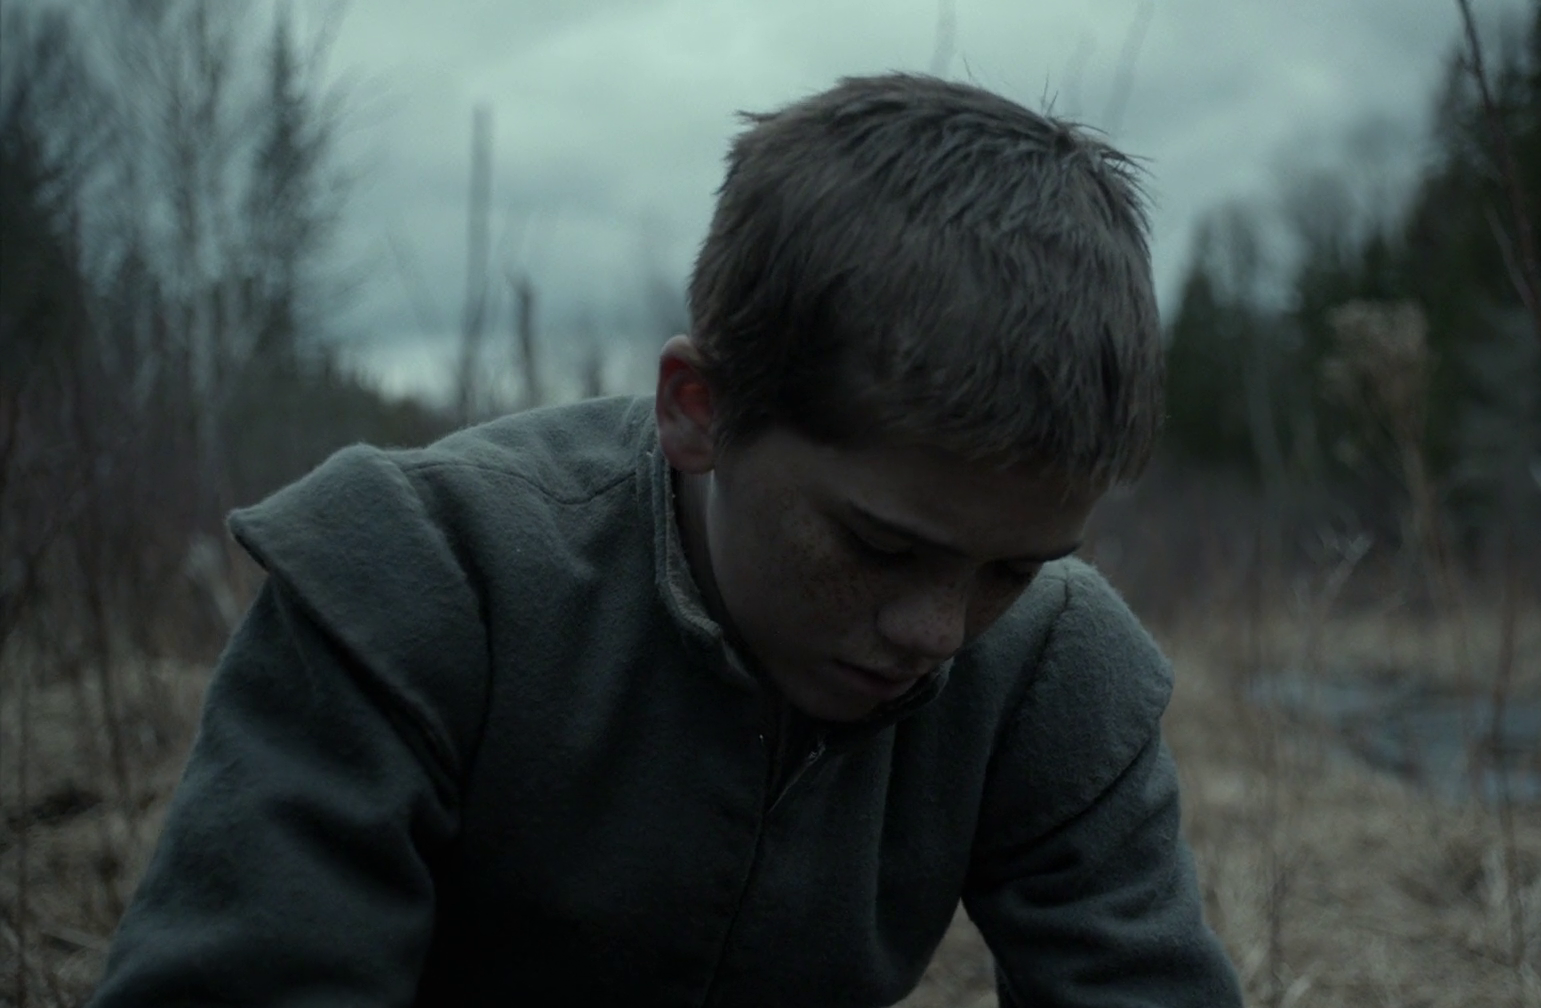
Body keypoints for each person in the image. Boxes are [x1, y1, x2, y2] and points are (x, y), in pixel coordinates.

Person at [90, 73, 1243, 1007]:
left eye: (1013, 569)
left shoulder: (1051, 665)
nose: (939, 631)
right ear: (700, 409)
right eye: (880, 548)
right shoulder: (417, 576)